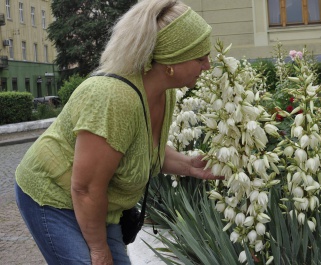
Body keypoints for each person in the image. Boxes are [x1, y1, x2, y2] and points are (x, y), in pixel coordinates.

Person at [14, 0, 218, 264]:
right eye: (200, 58)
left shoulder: (163, 95)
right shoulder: (114, 98)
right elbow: (86, 188)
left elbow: (140, 150)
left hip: (99, 205)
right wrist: (99, 250)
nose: (208, 66)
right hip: (53, 196)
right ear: (171, 61)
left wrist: (190, 166)